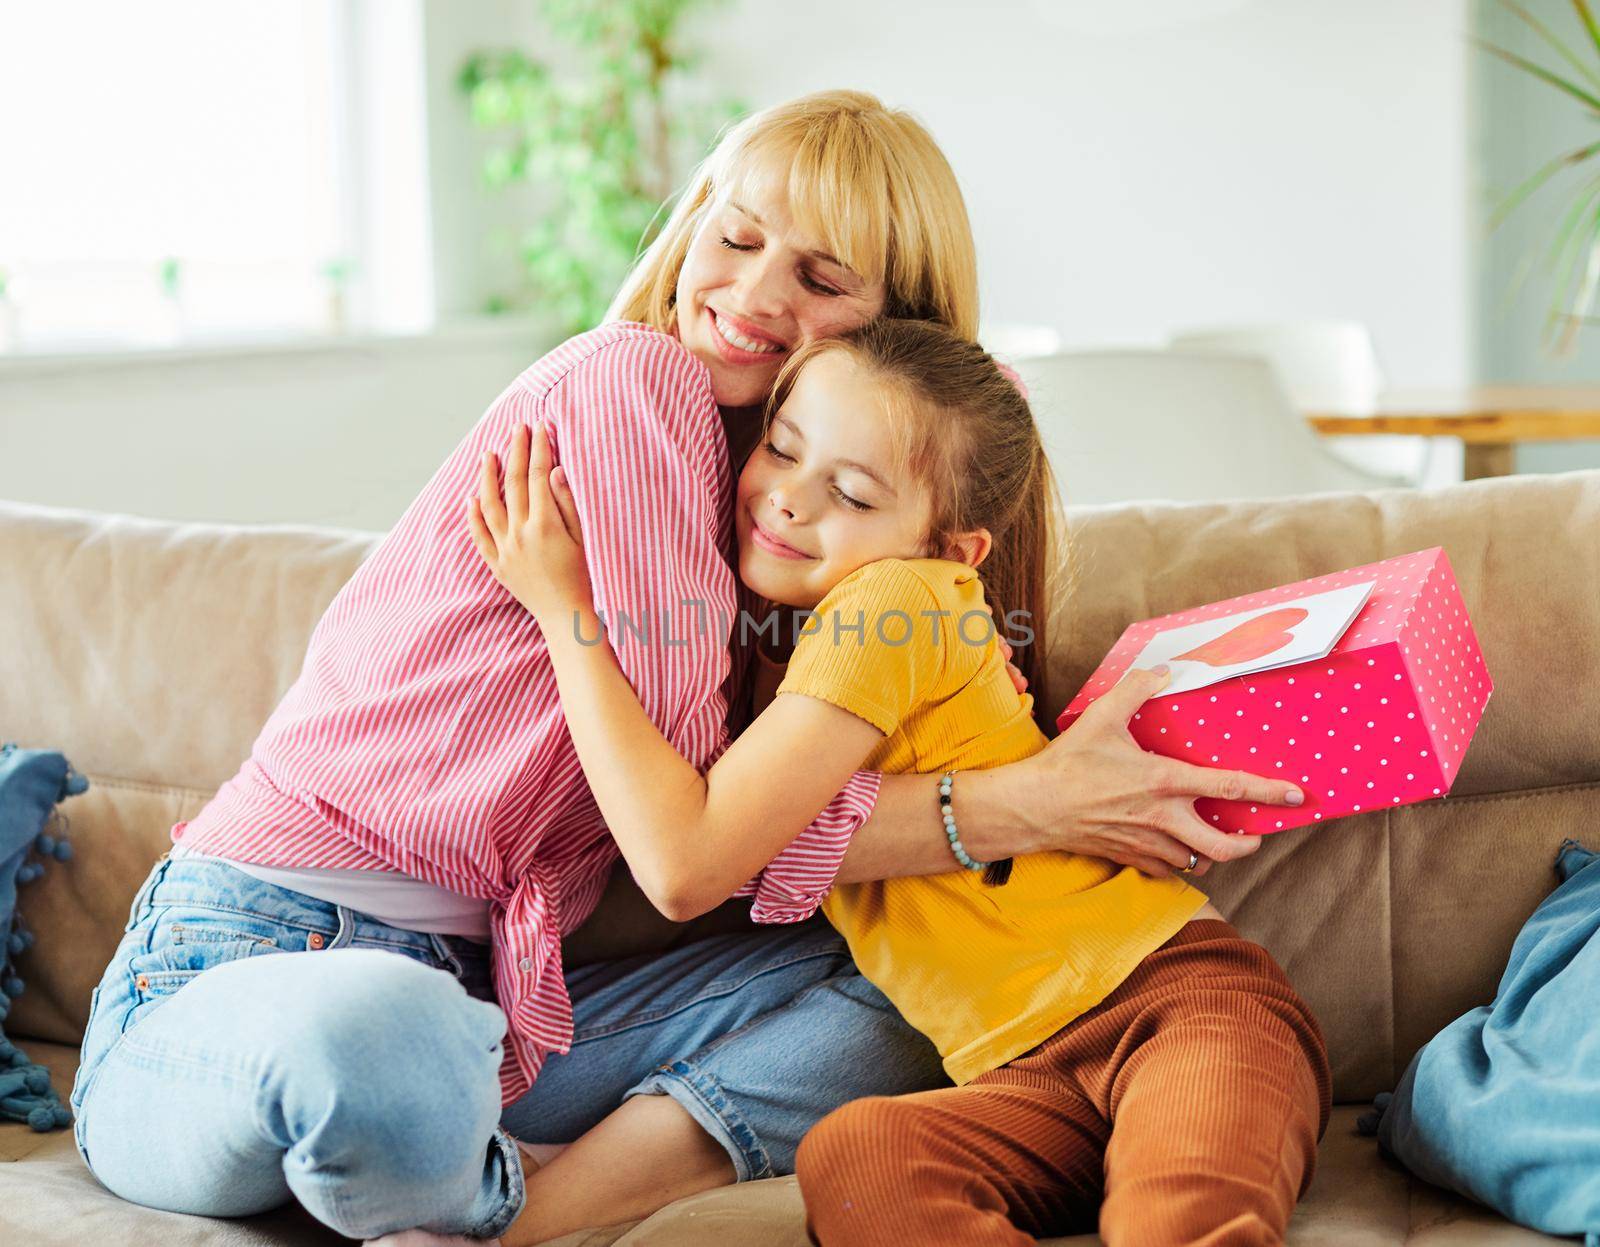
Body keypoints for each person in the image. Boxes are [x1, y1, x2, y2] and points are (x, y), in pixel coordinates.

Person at [69, 91, 1304, 1243]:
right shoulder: (634, 381)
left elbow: (726, 844)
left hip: (488, 998)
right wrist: (1016, 804)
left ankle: (485, 1189)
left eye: (820, 276)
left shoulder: (796, 541)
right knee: (375, 1030)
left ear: (897, 329)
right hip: (250, 964)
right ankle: (469, 1168)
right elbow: (690, 847)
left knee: (896, 987)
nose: (754, 292)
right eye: (738, 234)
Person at [470, 317, 1331, 1247]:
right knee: (860, 1152)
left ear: (951, 550)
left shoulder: (896, 603)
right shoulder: (796, 639)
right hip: (1017, 1079)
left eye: (847, 491)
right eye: (781, 447)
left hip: (1170, 1002)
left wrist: (566, 607)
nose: (788, 500)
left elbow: (688, 857)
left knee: (1187, 1216)